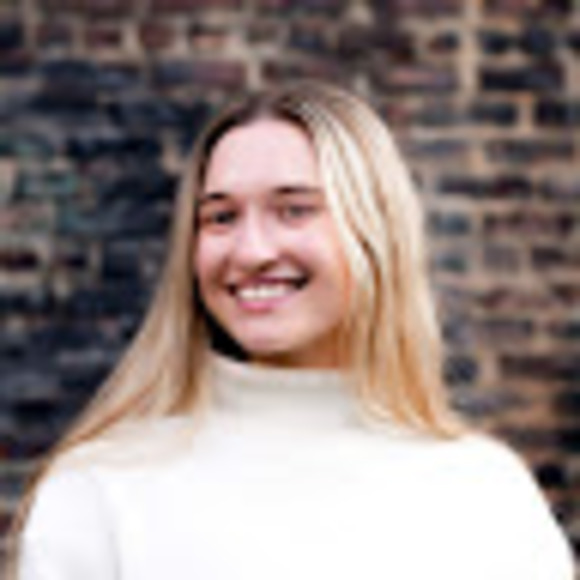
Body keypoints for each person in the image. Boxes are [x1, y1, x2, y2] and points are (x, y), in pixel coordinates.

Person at [8, 81, 575, 579]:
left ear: (374, 231)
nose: (251, 251)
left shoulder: (484, 494)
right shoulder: (100, 492)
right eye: (221, 217)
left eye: (294, 209)